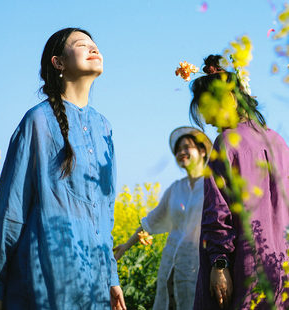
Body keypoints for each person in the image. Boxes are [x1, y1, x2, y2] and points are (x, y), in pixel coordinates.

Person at [0, 28, 126, 310]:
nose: (93, 48)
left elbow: (104, 212)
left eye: (95, 45)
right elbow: (10, 210)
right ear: (58, 62)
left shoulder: (104, 127)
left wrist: (111, 277)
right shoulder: (37, 121)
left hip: (94, 285)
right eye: (82, 44)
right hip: (45, 281)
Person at [190, 54, 289, 309]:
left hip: (241, 268)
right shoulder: (278, 142)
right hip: (279, 268)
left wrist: (219, 264)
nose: (209, 121)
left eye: (208, 110)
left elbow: (218, 213)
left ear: (231, 100)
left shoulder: (227, 144)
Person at [113, 126, 212, 310]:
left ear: (202, 151)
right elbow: (151, 222)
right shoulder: (175, 189)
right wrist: (126, 246)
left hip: (198, 268)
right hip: (170, 268)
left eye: (186, 147)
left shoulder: (212, 186)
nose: (181, 152)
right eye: (177, 150)